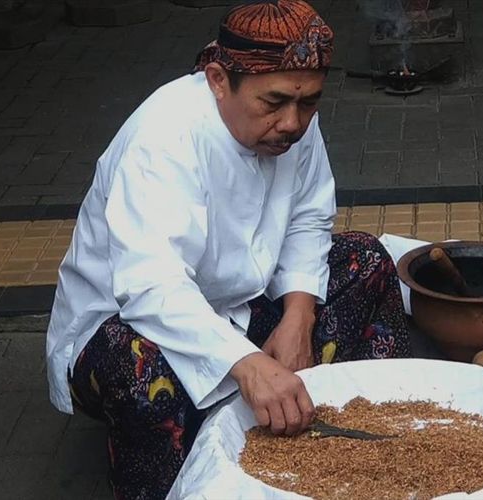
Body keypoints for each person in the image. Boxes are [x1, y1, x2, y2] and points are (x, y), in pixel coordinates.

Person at [46, 1, 412, 498]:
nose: (292, 123)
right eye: (275, 103)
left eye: (309, 104)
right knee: (138, 372)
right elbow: (152, 287)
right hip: (129, 325)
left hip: (240, 306)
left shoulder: (293, 117)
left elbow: (309, 216)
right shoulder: (163, 138)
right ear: (219, 79)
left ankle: (372, 443)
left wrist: (298, 316)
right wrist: (248, 364)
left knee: (367, 261)